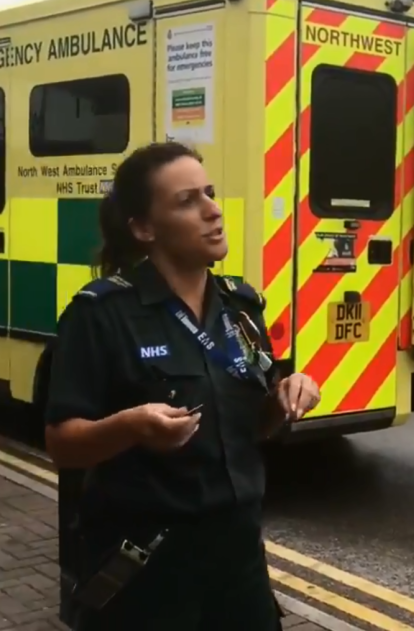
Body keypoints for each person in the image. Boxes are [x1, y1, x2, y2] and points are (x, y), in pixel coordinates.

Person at [44, 141, 321, 631]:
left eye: (210, 193)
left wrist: (285, 398)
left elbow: (251, 427)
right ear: (144, 229)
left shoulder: (241, 306)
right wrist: (131, 426)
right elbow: (63, 445)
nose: (213, 211)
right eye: (187, 200)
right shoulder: (101, 314)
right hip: (150, 567)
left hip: (239, 561)